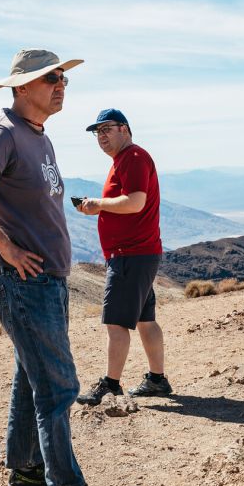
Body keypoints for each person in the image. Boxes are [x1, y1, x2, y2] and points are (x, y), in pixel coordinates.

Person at [0, 49, 116, 486]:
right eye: (50, 79)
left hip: (47, 283)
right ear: (21, 88)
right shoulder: (5, 134)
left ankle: (25, 470)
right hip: (24, 284)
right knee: (59, 387)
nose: (61, 85)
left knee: (30, 380)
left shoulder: (39, 137)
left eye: (63, 78)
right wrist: (4, 246)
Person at [74, 109, 171, 406]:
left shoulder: (133, 158)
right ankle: (157, 379)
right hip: (138, 252)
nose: (102, 136)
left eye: (107, 129)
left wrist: (97, 205)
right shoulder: (125, 160)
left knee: (115, 323)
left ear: (125, 130)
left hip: (131, 254)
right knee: (144, 319)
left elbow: (135, 202)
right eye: (97, 132)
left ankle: (111, 384)